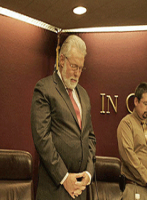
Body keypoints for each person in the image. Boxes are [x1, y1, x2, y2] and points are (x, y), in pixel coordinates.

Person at [31, 35, 96, 200]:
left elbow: (90, 137)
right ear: (61, 60)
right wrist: (64, 177)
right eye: (74, 66)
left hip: (80, 190)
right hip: (55, 189)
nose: (77, 73)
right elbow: (42, 138)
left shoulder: (84, 95)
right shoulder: (44, 88)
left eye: (81, 68)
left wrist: (88, 173)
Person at [117, 82, 147, 200]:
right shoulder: (126, 124)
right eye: (145, 104)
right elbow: (129, 156)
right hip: (134, 189)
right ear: (136, 102)